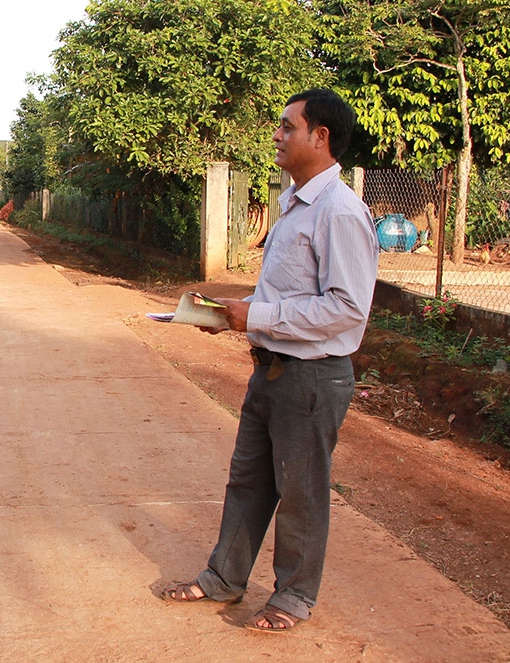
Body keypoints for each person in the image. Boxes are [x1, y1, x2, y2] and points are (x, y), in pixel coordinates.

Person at [162, 89, 379, 632]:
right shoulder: (295, 204)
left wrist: (257, 316)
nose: (277, 136)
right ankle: (223, 578)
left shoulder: (340, 211)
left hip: (310, 378)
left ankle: (293, 597)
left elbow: (347, 306)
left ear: (320, 136)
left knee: (301, 492)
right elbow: (287, 292)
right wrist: (232, 317)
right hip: (272, 369)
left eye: (288, 127)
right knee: (250, 481)